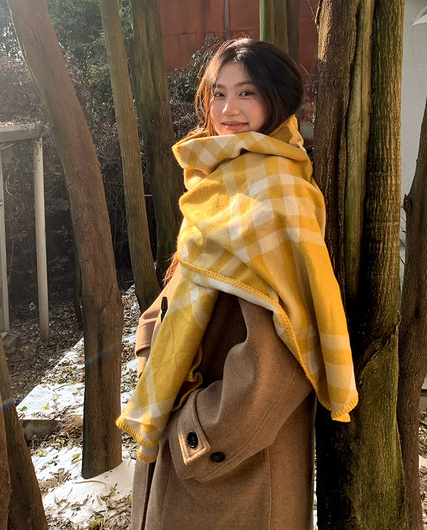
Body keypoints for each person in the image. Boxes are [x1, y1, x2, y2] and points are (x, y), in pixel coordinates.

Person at [117, 39, 358, 530]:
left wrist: (197, 434)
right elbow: (182, 286)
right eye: (218, 93)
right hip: (192, 435)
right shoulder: (221, 177)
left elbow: (286, 350)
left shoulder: (278, 192)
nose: (228, 110)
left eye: (247, 93)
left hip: (233, 466)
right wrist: (151, 348)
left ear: (277, 99)